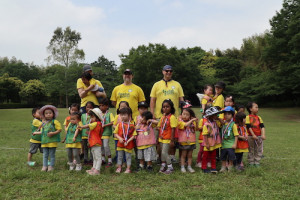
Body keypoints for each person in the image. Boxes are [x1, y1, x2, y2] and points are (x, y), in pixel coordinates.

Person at [150, 65, 184, 165]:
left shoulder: (177, 84)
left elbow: (181, 100)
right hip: (160, 116)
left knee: (172, 137)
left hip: (174, 116)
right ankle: (159, 157)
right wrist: (152, 113)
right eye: (166, 71)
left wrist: (183, 113)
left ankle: (172, 157)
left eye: (170, 71)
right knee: (160, 138)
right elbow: (152, 100)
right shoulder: (156, 84)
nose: (168, 73)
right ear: (163, 72)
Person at [152, 99, 177, 175]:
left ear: (171, 108)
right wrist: (157, 128)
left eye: (167, 107)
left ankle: (170, 167)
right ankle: (163, 165)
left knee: (164, 152)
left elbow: (173, 129)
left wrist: (172, 140)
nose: (165, 108)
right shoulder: (162, 117)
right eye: (163, 107)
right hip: (161, 138)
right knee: (162, 153)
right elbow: (159, 126)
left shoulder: (172, 117)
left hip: (168, 138)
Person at [33, 105, 62, 172]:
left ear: (53, 114)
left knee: (52, 155)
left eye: (50, 113)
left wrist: (53, 133)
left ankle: (51, 166)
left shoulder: (55, 122)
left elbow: (59, 130)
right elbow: (42, 132)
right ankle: (44, 166)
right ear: (44, 115)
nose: (48, 114)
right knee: (45, 155)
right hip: (44, 141)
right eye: (46, 113)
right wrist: (35, 133)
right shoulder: (43, 123)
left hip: (52, 142)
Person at [78, 108, 103, 175]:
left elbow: (88, 125)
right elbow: (95, 133)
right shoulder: (97, 124)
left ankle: (97, 170)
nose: (91, 119)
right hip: (93, 143)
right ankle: (94, 168)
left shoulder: (96, 123)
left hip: (96, 143)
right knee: (95, 157)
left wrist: (82, 126)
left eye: (92, 117)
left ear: (97, 117)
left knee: (97, 157)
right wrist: (89, 133)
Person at [114, 107, 137, 173]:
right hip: (120, 144)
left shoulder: (132, 125)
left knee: (128, 156)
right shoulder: (119, 124)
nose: (123, 116)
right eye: (121, 115)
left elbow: (134, 135)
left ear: (129, 115)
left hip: (128, 144)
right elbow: (115, 133)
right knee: (120, 156)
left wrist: (128, 141)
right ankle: (119, 167)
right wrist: (120, 138)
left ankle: (128, 168)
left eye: (124, 115)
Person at [201, 106, 222, 173]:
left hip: (214, 143)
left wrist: (218, 119)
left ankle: (213, 167)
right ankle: (204, 167)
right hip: (208, 143)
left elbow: (223, 123)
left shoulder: (215, 122)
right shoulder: (206, 124)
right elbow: (205, 135)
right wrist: (207, 143)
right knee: (205, 156)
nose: (217, 116)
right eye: (215, 115)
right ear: (211, 116)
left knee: (213, 156)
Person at [177, 108, 198, 173]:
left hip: (191, 141)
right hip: (184, 141)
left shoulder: (192, 122)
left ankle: (189, 166)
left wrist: (196, 122)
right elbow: (185, 125)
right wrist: (192, 120)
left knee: (190, 155)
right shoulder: (180, 121)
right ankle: (182, 167)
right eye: (183, 114)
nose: (185, 116)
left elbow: (196, 129)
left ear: (190, 116)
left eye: (187, 115)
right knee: (183, 155)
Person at [246, 102, 266, 167]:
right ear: (250, 109)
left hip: (259, 136)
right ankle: (251, 162)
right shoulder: (247, 117)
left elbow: (262, 126)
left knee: (258, 149)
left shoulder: (259, 117)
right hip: (250, 136)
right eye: (256, 107)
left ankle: (257, 162)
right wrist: (253, 135)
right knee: (251, 149)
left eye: (258, 107)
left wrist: (263, 134)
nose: (257, 109)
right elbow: (248, 127)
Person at [219, 106, 239, 173]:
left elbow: (236, 135)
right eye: (225, 114)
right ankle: (223, 167)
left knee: (231, 157)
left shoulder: (233, 124)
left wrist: (235, 144)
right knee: (223, 157)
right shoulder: (223, 123)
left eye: (229, 114)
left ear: (232, 115)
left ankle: (230, 167)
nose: (226, 115)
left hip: (231, 144)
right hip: (224, 144)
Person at [99, 98, 114, 167]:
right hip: (100, 133)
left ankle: (110, 160)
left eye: (102, 105)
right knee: (101, 147)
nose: (101, 107)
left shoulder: (109, 114)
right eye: (100, 105)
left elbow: (112, 122)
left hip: (106, 132)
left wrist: (105, 125)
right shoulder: (99, 114)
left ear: (107, 106)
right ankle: (103, 159)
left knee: (106, 146)